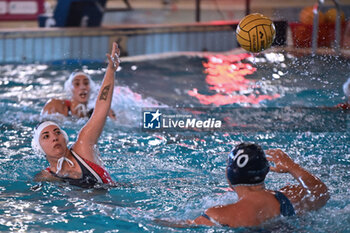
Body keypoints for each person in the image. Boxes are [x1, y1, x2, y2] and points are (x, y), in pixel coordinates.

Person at [32, 42, 120, 188]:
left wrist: (110, 71)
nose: (54, 137)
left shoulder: (83, 146)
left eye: (57, 132)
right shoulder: (46, 177)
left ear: (64, 137)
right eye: (46, 136)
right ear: (39, 147)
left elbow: (101, 108)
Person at [186, 143, 329, 228]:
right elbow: (321, 192)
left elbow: (184, 226)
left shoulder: (219, 215)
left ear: (229, 175)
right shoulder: (292, 196)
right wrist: (291, 166)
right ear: (266, 170)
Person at [42, 70, 116, 119]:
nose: (82, 87)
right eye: (77, 84)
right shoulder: (56, 105)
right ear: (70, 89)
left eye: (86, 83)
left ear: (91, 88)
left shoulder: (95, 112)